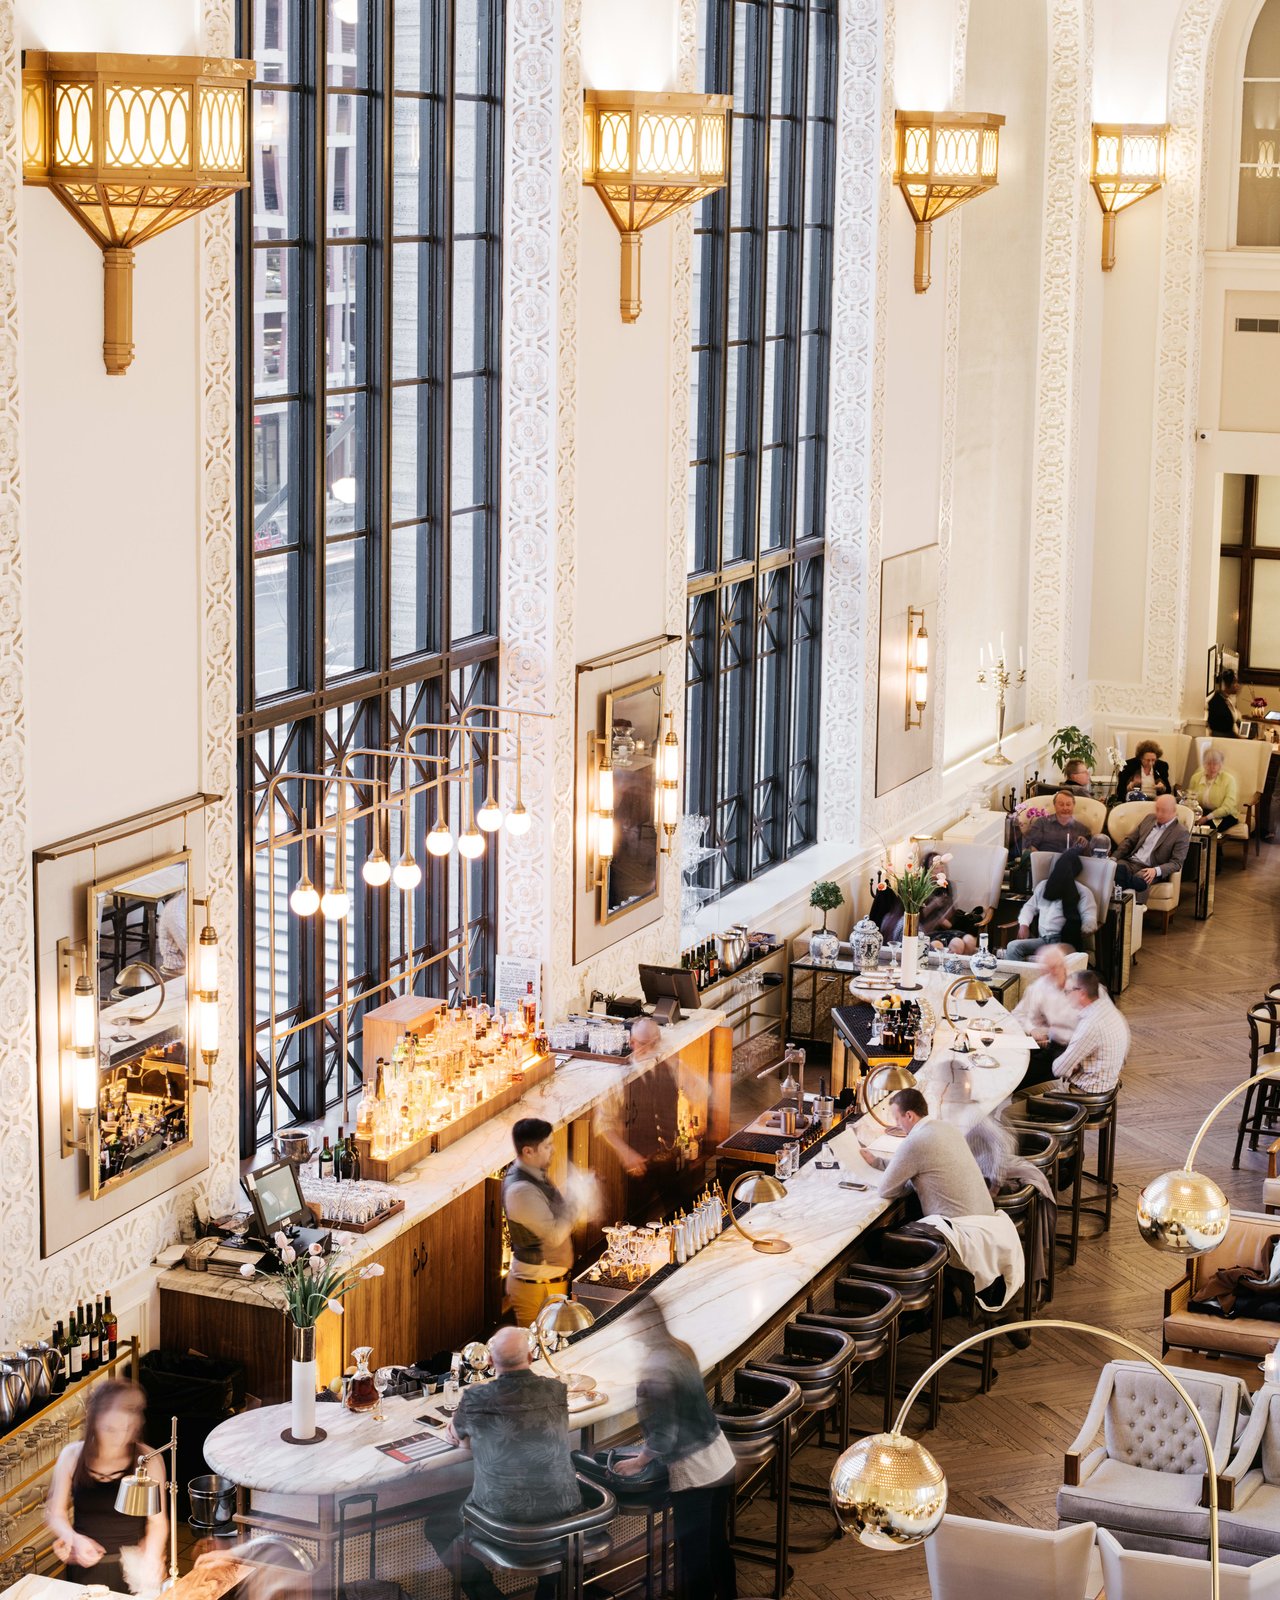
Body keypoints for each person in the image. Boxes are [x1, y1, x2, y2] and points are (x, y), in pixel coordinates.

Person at [430, 1325, 584, 1600]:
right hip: (566, 1517)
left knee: (438, 1527)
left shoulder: (476, 1398)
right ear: (530, 1356)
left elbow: (454, 1435)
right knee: (553, 1531)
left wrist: (473, 1436)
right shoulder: (556, 1390)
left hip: (504, 1524)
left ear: (489, 1362)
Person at [611, 1305, 737, 1599]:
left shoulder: (656, 1368)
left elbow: (666, 1434)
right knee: (717, 1545)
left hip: (696, 1472)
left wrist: (639, 1461)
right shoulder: (681, 1349)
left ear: (642, 1327)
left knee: (695, 1562)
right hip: (721, 1458)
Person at [46, 1380, 167, 1591]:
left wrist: (152, 1556)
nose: (120, 1438)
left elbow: (157, 1522)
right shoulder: (72, 1456)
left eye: (127, 1428)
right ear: (94, 1422)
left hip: (132, 1570)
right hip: (86, 1570)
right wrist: (73, 1538)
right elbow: (55, 1513)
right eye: (111, 1429)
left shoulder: (148, 1459)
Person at [502, 1118, 597, 1328]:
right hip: (535, 1288)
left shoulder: (535, 1175)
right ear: (528, 1151)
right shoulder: (521, 1191)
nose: (553, 1150)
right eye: (547, 1146)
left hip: (547, 1284)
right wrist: (576, 1199)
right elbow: (554, 1235)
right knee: (539, 1354)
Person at [859, 1088, 995, 1220]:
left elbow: (885, 1190)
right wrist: (877, 1162)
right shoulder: (947, 1127)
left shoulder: (916, 1141)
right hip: (985, 1221)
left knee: (875, 1237)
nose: (897, 1124)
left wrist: (904, 1181)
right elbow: (919, 1165)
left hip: (958, 1229)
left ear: (909, 1115)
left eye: (897, 1119)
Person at [1005, 851, 1097, 962]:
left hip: (1064, 941)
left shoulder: (1083, 892)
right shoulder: (1043, 886)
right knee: (1013, 947)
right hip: (1043, 940)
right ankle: (1019, 978)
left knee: (1052, 956)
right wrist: (1024, 924)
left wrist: (1084, 928)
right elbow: (1029, 907)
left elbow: (1089, 917)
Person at [1049, 971, 1130, 1094]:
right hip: (1106, 1084)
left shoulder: (1090, 1024)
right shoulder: (1110, 1010)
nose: (1066, 996)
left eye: (1068, 992)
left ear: (1081, 993)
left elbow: (1059, 1069)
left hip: (1084, 1094)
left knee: (1018, 1102)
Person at [1012, 943, 1080, 1085]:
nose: (1049, 974)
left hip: (1074, 1049)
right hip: (1050, 1046)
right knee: (1017, 1077)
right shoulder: (1040, 985)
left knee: (1048, 1084)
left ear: (1063, 965)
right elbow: (1019, 1014)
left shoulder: (1081, 987)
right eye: (1045, 970)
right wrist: (1033, 1030)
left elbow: (1092, 1026)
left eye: (1054, 968)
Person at [1111, 792, 1190, 901]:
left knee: (1142, 878)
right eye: (1157, 809)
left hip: (1150, 868)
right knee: (1114, 868)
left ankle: (1135, 913)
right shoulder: (1149, 819)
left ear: (1173, 811)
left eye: (1163, 810)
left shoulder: (1181, 832)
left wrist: (1156, 870)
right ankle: (1113, 910)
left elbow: (1176, 863)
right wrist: (1114, 858)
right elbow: (1130, 841)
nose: (1159, 814)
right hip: (1131, 862)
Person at [1185, 746, 1240, 836]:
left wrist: (1207, 818)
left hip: (1225, 815)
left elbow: (1228, 807)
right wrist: (1195, 815)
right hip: (1203, 812)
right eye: (1209, 763)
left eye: (1215, 764)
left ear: (1221, 764)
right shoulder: (1196, 778)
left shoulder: (1229, 780)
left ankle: (1214, 849)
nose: (1212, 767)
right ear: (1204, 764)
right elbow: (1190, 800)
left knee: (1209, 828)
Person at [1023, 789, 1096, 854]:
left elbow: (1089, 855)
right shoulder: (1042, 823)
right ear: (1054, 805)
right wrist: (1039, 859)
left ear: (1073, 805)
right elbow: (1030, 846)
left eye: (1068, 804)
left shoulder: (1082, 829)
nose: (1065, 808)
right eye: (1061, 804)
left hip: (1070, 865)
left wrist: (1085, 845)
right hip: (1045, 862)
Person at [1207, 669, 1242, 739]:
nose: (1238, 686)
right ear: (1228, 684)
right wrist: (1240, 739)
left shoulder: (1228, 699)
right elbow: (1221, 731)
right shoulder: (1217, 702)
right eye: (1235, 682)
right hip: (1224, 741)